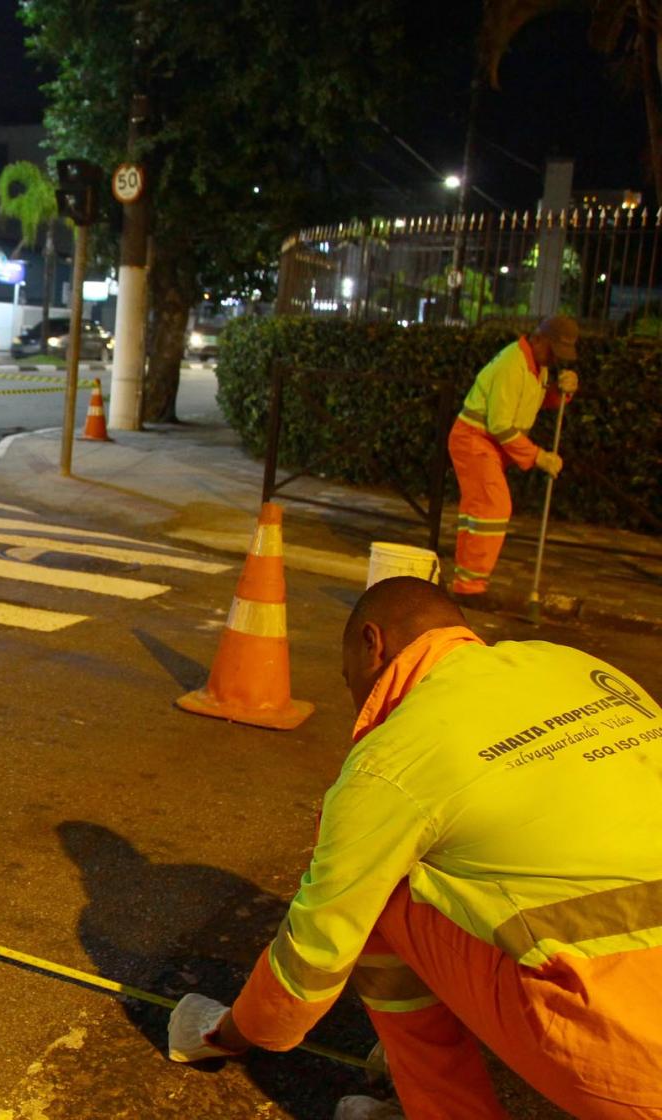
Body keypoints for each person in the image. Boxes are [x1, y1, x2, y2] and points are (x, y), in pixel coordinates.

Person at [166, 577, 662, 1119]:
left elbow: (314, 955)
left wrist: (231, 1031)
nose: (354, 693)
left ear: (371, 644)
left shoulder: (391, 761)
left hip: (631, 1059)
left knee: (382, 889)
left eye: (347, 677)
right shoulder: (564, 664)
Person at [446, 315, 580, 597]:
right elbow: (501, 425)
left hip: (485, 442)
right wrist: (538, 456)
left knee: (480, 512)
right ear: (538, 339)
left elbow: (535, 400)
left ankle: (466, 582)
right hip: (475, 440)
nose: (556, 359)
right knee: (492, 507)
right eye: (553, 351)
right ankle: (469, 587)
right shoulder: (513, 364)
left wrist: (561, 393)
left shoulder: (536, 365)